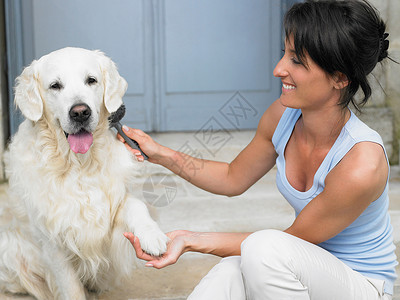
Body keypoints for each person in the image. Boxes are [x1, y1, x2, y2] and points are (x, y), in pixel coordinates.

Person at [120, 0, 398, 298]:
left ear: (339, 78)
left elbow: (290, 242)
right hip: (305, 269)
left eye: (297, 61)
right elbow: (231, 177)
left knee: (262, 249)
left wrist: (191, 240)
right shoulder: (284, 115)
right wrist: (160, 153)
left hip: (360, 286)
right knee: (228, 272)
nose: (279, 69)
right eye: (284, 54)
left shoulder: (361, 162)